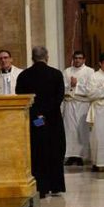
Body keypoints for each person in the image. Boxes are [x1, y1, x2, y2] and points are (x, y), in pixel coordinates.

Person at [15, 46, 66, 197]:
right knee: (55, 151)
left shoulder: (24, 75)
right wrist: (46, 114)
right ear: (47, 57)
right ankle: (55, 185)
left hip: (34, 121)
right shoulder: (56, 74)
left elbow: (21, 96)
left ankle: (41, 187)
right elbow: (59, 97)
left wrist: (37, 115)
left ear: (32, 58)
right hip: (53, 120)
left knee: (38, 152)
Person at [62, 51, 94, 166]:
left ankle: (82, 155)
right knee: (70, 129)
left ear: (84, 60)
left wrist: (77, 86)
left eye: (80, 58)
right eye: (75, 58)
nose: (77, 60)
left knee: (82, 129)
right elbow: (63, 87)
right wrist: (71, 86)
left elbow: (91, 88)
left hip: (83, 103)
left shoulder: (90, 71)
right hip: (70, 103)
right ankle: (71, 155)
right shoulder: (67, 71)